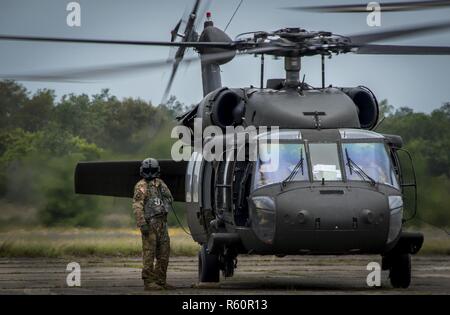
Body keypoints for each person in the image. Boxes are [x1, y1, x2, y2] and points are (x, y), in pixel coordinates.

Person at [132, 158, 174, 290]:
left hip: (162, 223)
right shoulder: (141, 186)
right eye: (147, 171)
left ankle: (160, 281)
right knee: (149, 254)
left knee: (164, 253)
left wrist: (164, 206)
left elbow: (169, 198)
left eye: (152, 171)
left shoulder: (160, 184)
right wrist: (142, 223)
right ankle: (149, 282)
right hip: (149, 224)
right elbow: (137, 206)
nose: (150, 173)